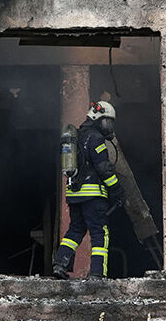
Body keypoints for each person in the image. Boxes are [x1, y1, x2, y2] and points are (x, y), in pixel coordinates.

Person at [52, 101, 126, 279]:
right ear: (97, 119)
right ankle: (97, 273)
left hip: (74, 194)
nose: (108, 127)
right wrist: (116, 189)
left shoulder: (77, 136)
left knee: (75, 230)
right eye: (106, 122)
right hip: (93, 195)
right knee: (100, 233)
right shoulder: (95, 138)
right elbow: (103, 168)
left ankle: (60, 265)